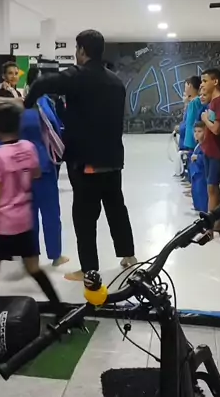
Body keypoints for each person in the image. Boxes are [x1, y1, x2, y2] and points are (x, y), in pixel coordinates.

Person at [24, 29, 136, 281]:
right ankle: (128, 255)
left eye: (77, 49)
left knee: (84, 216)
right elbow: (89, 114)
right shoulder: (115, 82)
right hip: (112, 159)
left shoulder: (78, 75)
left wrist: (26, 104)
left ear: (82, 50)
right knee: (116, 208)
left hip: (85, 160)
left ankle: (88, 269)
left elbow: (41, 83)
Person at [0, 101, 63, 314]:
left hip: (2, 225)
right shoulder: (28, 148)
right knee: (33, 267)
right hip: (25, 221)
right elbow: (36, 174)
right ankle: (59, 308)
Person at [20, 67, 68, 266]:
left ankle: (39, 256)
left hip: (39, 164)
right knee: (43, 212)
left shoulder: (42, 101)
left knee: (38, 213)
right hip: (38, 165)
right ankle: (47, 255)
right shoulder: (32, 105)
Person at [200, 67, 220, 229]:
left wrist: (205, 119)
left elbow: (216, 129)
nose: (202, 84)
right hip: (209, 149)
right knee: (211, 187)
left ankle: (211, 222)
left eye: (205, 81)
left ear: (215, 82)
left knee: (212, 187)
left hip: (217, 152)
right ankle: (217, 221)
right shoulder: (213, 102)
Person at [190, 121, 208, 213]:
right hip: (195, 175)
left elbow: (208, 158)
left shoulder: (205, 146)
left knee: (201, 193)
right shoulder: (198, 145)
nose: (196, 134)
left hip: (201, 175)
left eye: (200, 131)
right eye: (195, 131)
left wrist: (198, 157)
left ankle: (204, 210)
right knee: (195, 192)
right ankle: (197, 207)